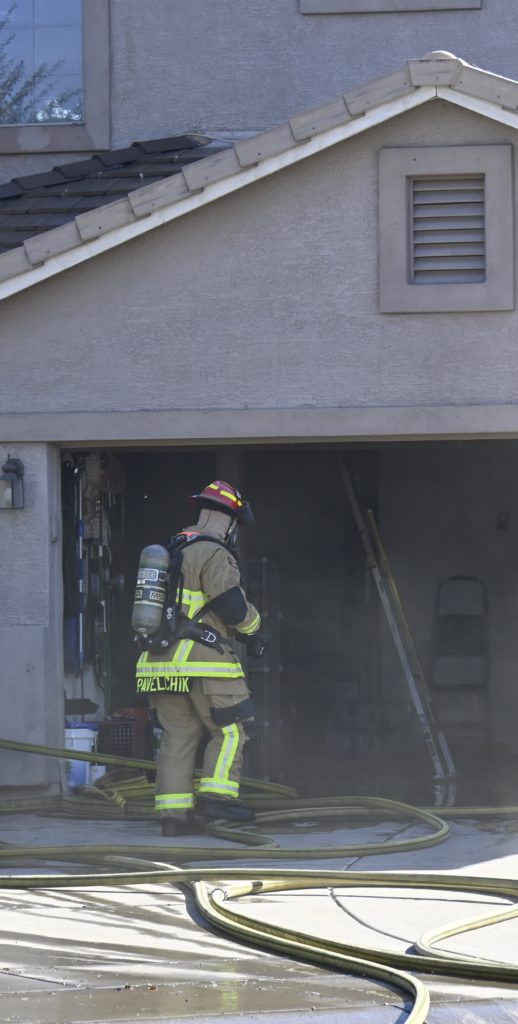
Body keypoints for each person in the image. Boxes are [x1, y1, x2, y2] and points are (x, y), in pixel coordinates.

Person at [135, 480, 262, 837]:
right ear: (231, 521)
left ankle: (173, 818)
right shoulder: (213, 552)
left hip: (158, 664)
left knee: (178, 735)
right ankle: (218, 799)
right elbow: (232, 607)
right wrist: (255, 628)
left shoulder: (172, 548)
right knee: (231, 731)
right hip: (203, 661)